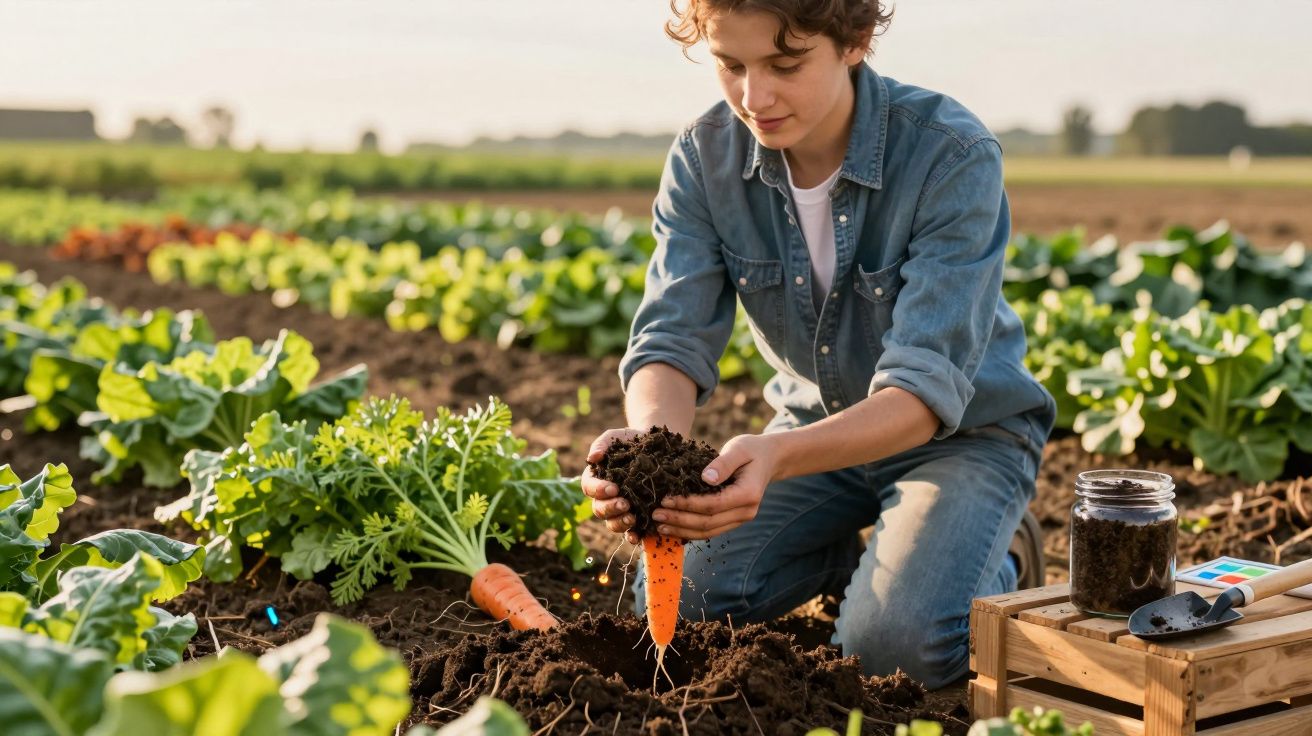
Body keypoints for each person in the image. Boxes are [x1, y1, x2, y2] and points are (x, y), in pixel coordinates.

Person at [580, 0, 1055, 689]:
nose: (754, 96)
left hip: (961, 437)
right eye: (730, 64)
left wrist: (774, 458)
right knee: (682, 606)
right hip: (812, 432)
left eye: (785, 63)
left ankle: (1001, 555)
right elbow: (671, 336)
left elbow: (923, 392)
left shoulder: (950, 154)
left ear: (855, 40)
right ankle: (846, 552)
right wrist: (652, 461)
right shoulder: (704, 157)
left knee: (892, 651)